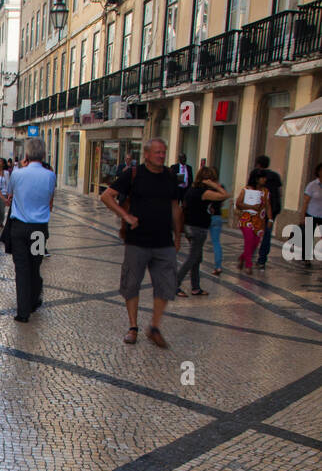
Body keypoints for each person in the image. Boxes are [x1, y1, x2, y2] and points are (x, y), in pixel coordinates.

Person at [100, 137, 181, 348]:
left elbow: (175, 207)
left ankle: (154, 326)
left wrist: (178, 237)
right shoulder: (133, 174)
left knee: (165, 286)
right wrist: (125, 217)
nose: (162, 156)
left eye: (164, 152)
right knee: (131, 284)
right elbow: (107, 196)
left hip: (164, 241)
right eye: (157, 152)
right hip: (137, 241)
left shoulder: (170, 177)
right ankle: (133, 326)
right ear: (146, 154)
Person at [7, 138, 53, 320]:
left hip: (19, 228)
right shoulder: (50, 175)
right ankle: (34, 300)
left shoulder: (17, 174)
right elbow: (50, 197)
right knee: (35, 265)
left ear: (26, 155)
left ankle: (23, 312)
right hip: (39, 229)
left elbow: (10, 193)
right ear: (43, 155)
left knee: (22, 268)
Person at [175, 167, 227, 297]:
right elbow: (225, 195)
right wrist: (214, 185)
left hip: (190, 227)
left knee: (197, 258)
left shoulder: (192, 190)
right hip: (198, 229)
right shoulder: (204, 192)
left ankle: (195, 287)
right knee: (192, 258)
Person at [248, 155, 282, 269]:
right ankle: (262, 260)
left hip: (258, 209)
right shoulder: (275, 176)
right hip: (272, 209)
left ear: (258, 164)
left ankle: (250, 257)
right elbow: (279, 192)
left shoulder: (255, 174)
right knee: (267, 234)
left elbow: (250, 191)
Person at [235, 175, 271, 276]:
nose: (264, 179)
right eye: (262, 177)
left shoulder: (266, 191)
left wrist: (270, 219)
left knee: (254, 244)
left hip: (259, 222)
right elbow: (238, 203)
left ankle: (242, 258)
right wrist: (251, 206)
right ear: (256, 178)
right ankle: (248, 265)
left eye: (264, 177)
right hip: (246, 220)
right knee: (249, 240)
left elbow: (268, 206)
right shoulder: (246, 190)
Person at [301, 163, 322, 269]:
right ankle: (307, 258)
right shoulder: (312, 185)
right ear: (318, 172)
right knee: (309, 237)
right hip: (311, 214)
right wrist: (302, 216)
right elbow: (305, 202)